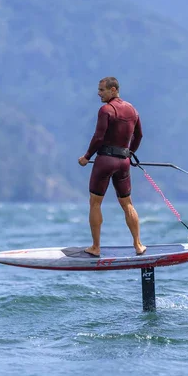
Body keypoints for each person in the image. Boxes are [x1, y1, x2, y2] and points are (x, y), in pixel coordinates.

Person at [78, 77, 146, 257]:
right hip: (123, 162)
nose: (99, 93)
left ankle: (95, 247)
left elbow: (99, 138)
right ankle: (138, 245)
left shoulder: (106, 110)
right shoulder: (132, 110)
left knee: (95, 203)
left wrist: (86, 157)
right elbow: (139, 135)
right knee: (127, 203)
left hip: (105, 162)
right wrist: (130, 153)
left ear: (113, 90)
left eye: (102, 90)